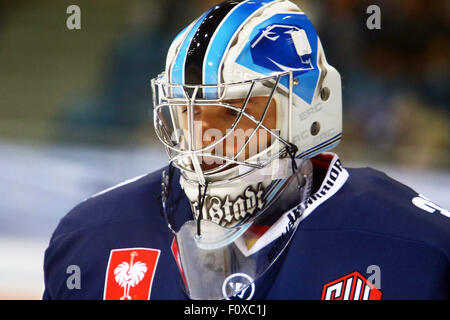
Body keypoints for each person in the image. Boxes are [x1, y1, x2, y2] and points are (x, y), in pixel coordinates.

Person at [43, 0, 449, 300]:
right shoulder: (92, 235)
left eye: (234, 111)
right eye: (189, 111)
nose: (205, 137)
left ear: (308, 111)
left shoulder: (419, 247)